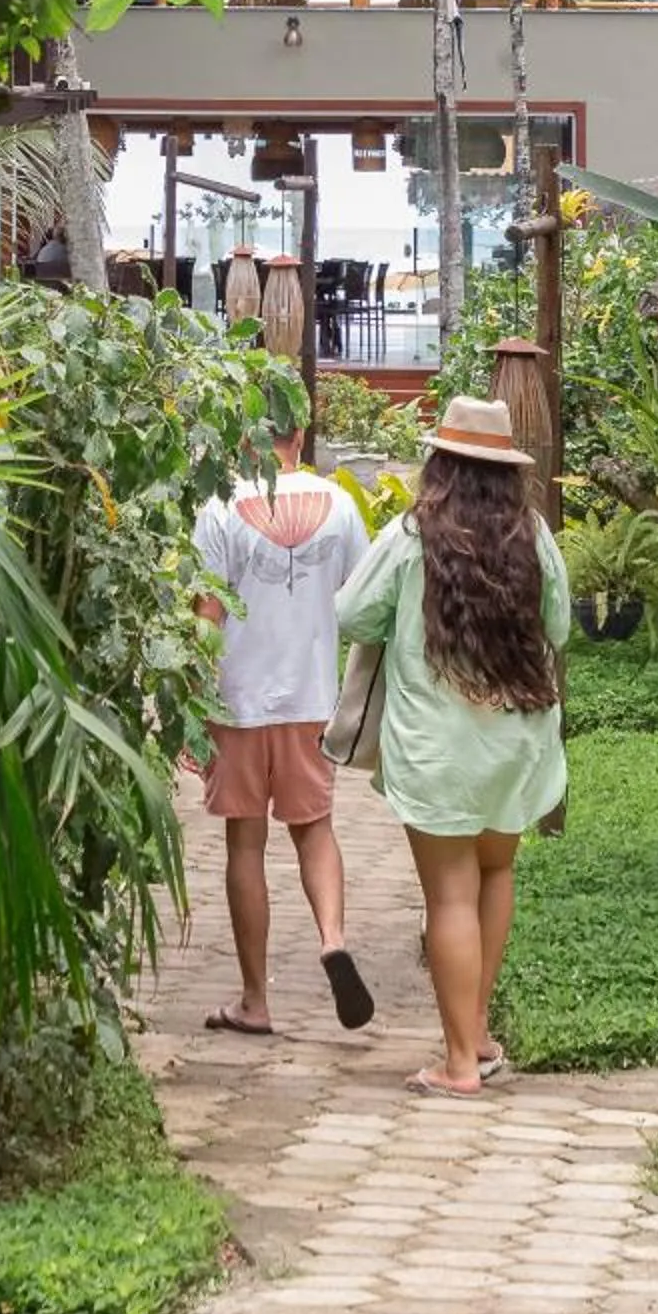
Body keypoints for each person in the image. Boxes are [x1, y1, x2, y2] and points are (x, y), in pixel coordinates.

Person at [336, 395, 568, 1099]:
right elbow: (558, 624)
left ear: (440, 463)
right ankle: (479, 1034)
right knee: (495, 877)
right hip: (516, 743)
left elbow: (351, 612)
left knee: (450, 898)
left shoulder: (415, 535)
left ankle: (460, 1063)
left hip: (438, 751)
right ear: (506, 473)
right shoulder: (532, 534)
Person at [193, 415, 376, 1036]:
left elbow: (208, 612)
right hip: (311, 700)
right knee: (315, 830)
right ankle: (332, 939)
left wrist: (192, 699)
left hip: (239, 701)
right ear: (300, 439)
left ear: (244, 442)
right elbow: (362, 603)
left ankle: (254, 1000)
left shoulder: (220, 505)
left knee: (245, 845)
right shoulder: (341, 505)